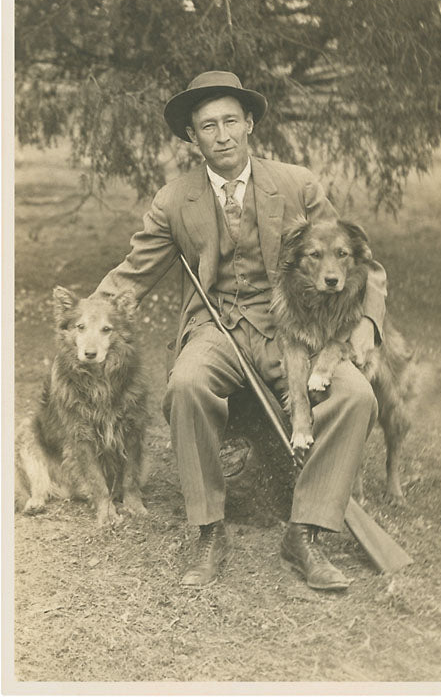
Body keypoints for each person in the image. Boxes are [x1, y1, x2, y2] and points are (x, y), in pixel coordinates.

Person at [95, 70, 387, 590]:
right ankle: (209, 530)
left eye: (231, 121)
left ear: (250, 123)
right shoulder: (173, 200)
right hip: (215, 326)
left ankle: (305, 532)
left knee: (356, 396)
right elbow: (132, 274)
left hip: (291, 328)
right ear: (193, 136)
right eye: (209, 126)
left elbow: (358, 258)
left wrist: (366, 322)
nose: (223, 135)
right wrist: (86, 316)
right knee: (186, 385)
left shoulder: (297, 184)